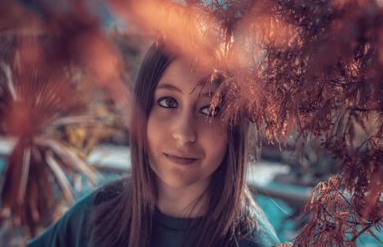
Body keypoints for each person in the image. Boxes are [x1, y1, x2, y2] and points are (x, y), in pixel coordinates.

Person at [27, 41, 280, 247]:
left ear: (234, 128)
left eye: (209, 110)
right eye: (168, 102)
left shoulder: (254, 242)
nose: (183, 133)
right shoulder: (97, 214)